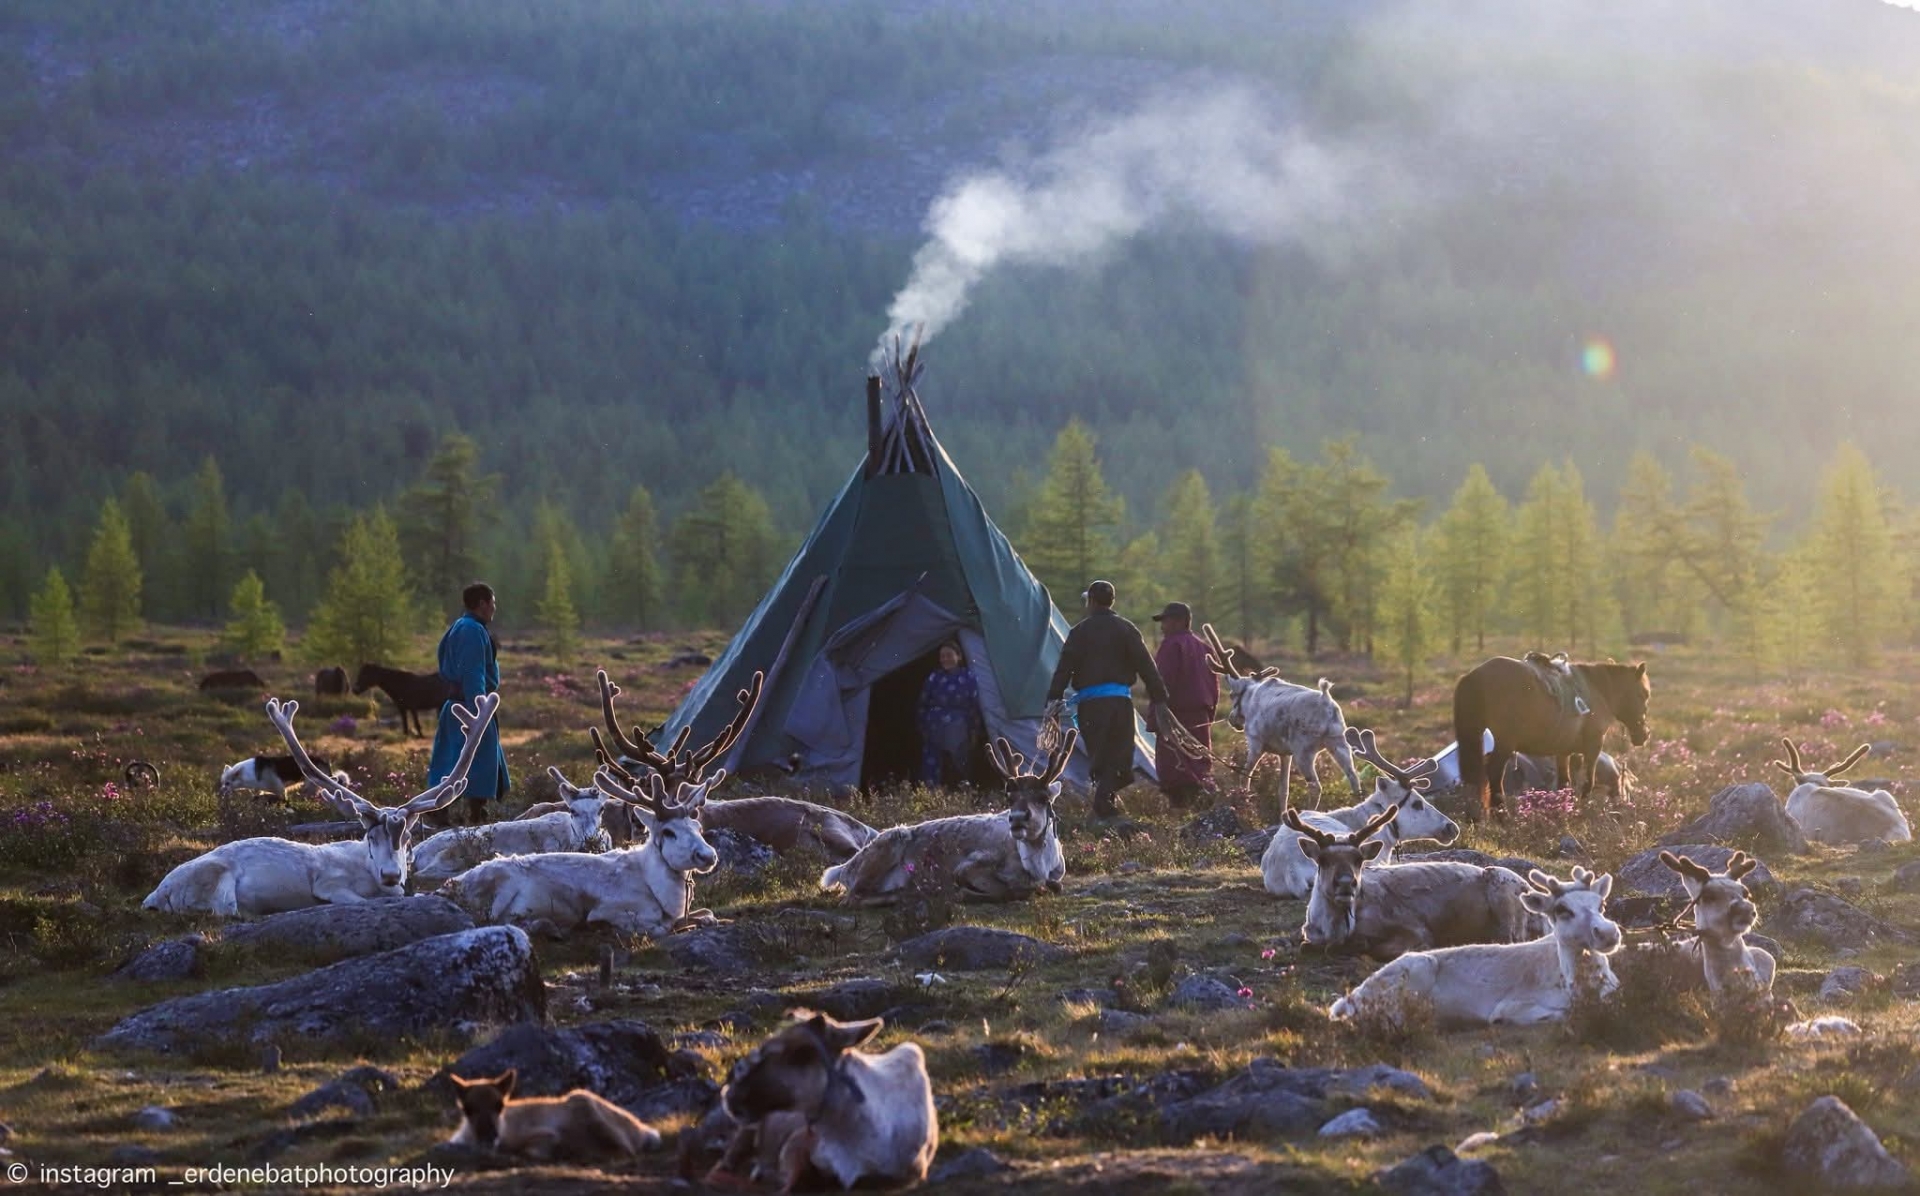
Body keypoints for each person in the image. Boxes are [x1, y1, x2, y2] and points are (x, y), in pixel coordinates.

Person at [1046, 579, 1169, 820]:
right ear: (1111, 601)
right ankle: (1105, 807)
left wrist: (1052, 699)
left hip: (1091, 708)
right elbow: (1147, 666)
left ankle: (1103, 806)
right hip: (1120, 706)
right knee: (1121, 758)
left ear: (1091, 601)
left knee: (1100, 758)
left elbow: (1064, 669)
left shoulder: (1079, 632)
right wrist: (1160, 697)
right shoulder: (1126, 629)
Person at [428, 582, 510, 825]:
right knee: (471, 761)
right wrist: (479, 709)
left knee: (458, 759)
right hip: (470, 710)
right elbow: (473, 672)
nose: (495, 608)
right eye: (493, 602)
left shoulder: (463, 626)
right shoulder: (471, 630)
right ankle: (466, 815)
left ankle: (463, 813)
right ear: (483, 604)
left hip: (461, 707)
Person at [1151, 601, 1218, 809]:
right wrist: (1210, 716)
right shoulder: (1205, 647)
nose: (1162, 627)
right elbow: (1214, 687)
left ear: (1180, 621)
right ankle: (1199, 812)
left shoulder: (1171, 645)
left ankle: (1180, 815)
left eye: (1166, 621)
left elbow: (1161, 684)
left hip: (1175, 718)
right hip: (1200, 717)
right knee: (1198, 767)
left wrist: (1156, 717)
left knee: (1175, 770)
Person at [916, 639, 982, 787]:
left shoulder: (968, 677)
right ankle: (931, 796)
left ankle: (961, 795)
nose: (945, 659)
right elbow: (923, 703)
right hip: (934, 728)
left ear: (959, 656)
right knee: (932, 762)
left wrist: (974, 730)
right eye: (942, 656)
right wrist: (922, 725)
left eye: (949, 655)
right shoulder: (934, 677)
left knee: (959, 760)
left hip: (958, 729)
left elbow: (973, 705)